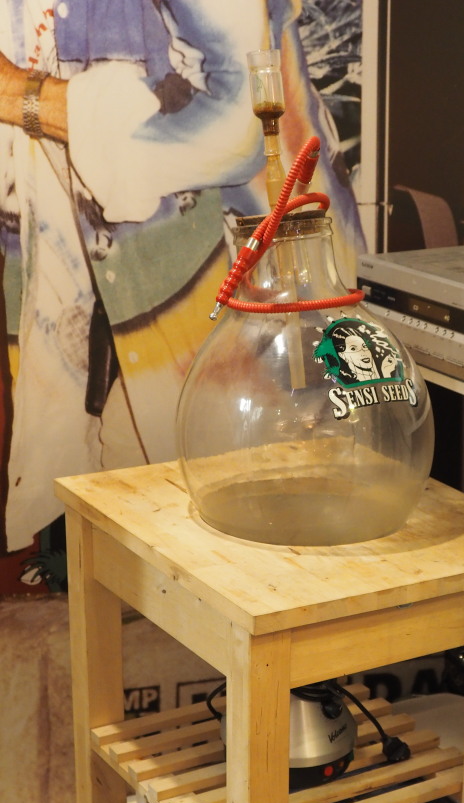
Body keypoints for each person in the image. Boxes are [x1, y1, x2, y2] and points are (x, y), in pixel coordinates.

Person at [0, 0, 364, 569]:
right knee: (131, 558)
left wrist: (23, 96)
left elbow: (236, 129)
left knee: (264, 558)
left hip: (253, 289)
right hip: (91, 293)